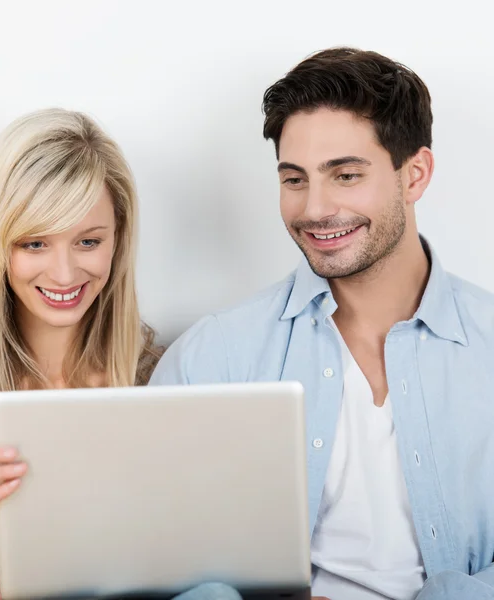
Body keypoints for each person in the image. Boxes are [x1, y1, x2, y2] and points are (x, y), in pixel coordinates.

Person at [150, 48, 494, 600]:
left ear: (416, 175)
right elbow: (161, 556)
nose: (314, 208)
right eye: (293, 180)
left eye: (346, 175)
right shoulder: (214, 358)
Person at [0, 108, 168, 600]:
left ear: (118, 240)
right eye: (35, 243)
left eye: (88, 241)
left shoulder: (154, 372)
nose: (64, 274)